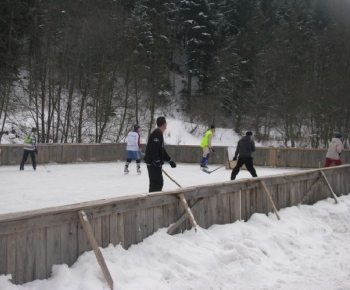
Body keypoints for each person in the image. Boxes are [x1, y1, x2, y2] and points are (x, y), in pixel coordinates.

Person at [144, 116, 176, 192]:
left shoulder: (158, 133)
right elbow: (154, 149)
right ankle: (153, 201)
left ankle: (153, 200)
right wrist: (156, 160)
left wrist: (169, 160)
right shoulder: (157, 134)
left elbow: (161, 149)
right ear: (164, 124)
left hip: (154, 163)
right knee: (157, 184)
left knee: (157, 183)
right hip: (153, 163)